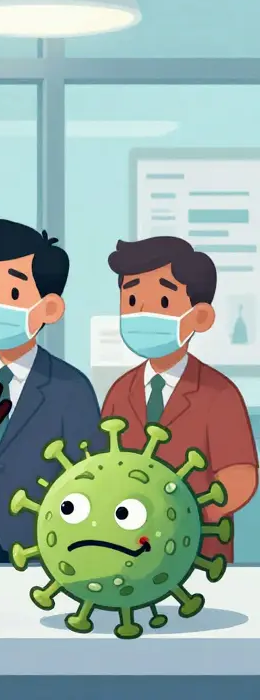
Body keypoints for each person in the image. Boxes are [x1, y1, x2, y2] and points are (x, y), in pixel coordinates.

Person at [0, 219, 102, 563]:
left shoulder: (70, 388)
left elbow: (92, 476)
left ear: (49, 308)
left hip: (47, 541)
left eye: (12, 293)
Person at [101, 236, 257, 562]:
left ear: (199, 317)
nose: (141, 311)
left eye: (161, 300)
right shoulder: (119, 391)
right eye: (131, 301)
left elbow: (240, 476)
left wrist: (185, 516)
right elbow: (105, 470)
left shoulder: (220, 394)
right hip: (128, 553)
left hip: (198, 551)